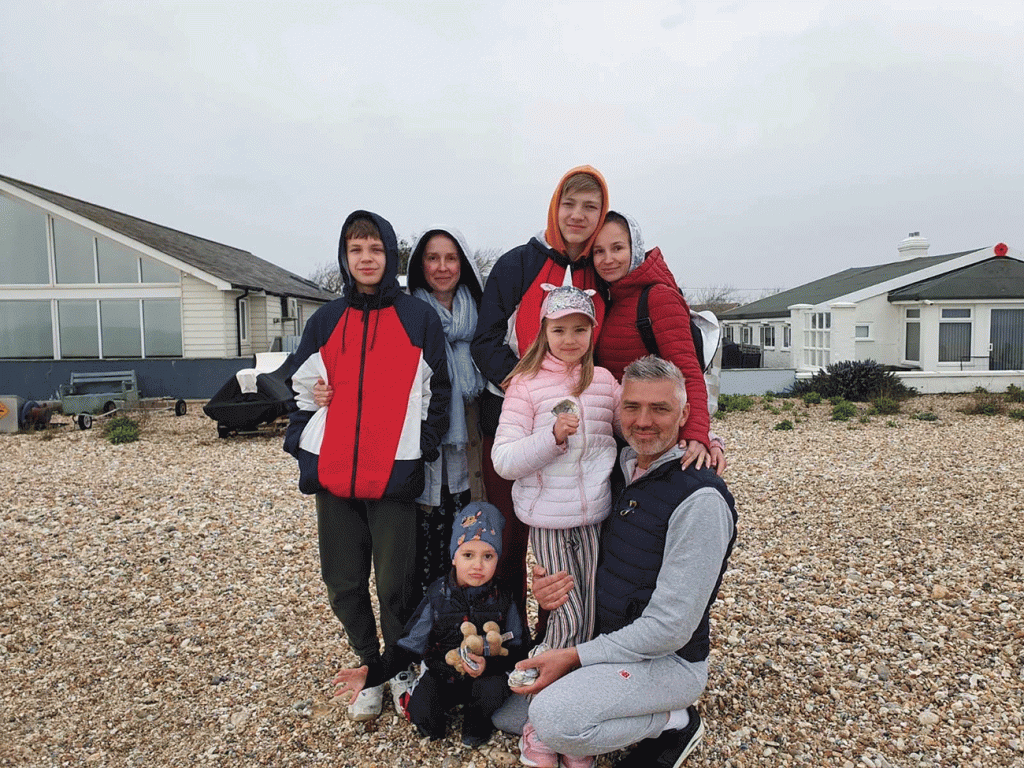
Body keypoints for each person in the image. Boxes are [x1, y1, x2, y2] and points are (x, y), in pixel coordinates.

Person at [510, 356, 737, 768]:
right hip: (606, 639)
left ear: (685, 413)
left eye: (660, 408)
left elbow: (670, 628)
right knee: (518, 707)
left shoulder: (700, 499)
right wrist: (548, 587)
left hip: (668, 661)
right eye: (632, 407)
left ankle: (675, 721)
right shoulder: (614, 468)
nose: (643, 421)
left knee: (552, 719)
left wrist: (574, 657)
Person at [284, 211, 451, 722]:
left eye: (376, 249)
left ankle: (396, 669)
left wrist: (419, 447)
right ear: (345, 256)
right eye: (356, 250)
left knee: (397, 583)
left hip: (392, 478)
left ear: (390, 255)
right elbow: (298, 386)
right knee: (343, 582)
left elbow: (438, 393)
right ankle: (367, 663)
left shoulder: (417, 318)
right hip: (335, 476)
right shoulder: (325, 320)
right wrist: (304, 441)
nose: (366, 258)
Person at [315, 227, 487, 599]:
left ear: (464, 263)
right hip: (420, 458)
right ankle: (425, 629)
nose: (442, 267)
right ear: (418, 264)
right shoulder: (406, 315)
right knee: (418, 564)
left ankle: (467, 624)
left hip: (469, 457)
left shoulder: (481, 317)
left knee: (470, 554)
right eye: (432, 258)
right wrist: (321, 390)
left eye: (451, 258)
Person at [472, 166, 610, 624]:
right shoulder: (517, 264)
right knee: (510, 536)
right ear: (555, 206)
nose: (578, 215)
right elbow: (485, 340)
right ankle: (507, 631)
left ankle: (561, 632)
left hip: (581, 421)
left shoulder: (603, 268)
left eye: (590, 207)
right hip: (514, 414)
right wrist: (524, 384)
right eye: (569, 204)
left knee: (571, 538)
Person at [491, 282, 620, 768]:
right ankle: (540, 725)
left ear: (592, 331)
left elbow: (633, 427)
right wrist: (551, 438)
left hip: (596, 519)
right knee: (565, 617)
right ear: (544, 331)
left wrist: (700, 434)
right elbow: (504, 461)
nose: (569, 339)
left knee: (588, 619)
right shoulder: (525, 386)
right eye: (559, 329)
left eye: (579, 329)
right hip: (548, 522)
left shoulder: (604, 381)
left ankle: (568, 719)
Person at [332, 502, 525, 748]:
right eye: (468, 555)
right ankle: (418, 705)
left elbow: (519, 648)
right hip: (443, 674)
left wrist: (489, 665)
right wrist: (371, 674)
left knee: (492, 693)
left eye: (488, 556)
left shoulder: (505, 597)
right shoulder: (437, 595)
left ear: (497, 558)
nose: (478, 565)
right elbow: (406, 647)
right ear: (454, 557)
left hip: (485, 676)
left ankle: (477, 724)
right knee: (425, 719)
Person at [592, 211, 726, 474]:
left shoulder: (658, 297)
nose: (608, 259)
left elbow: (688, 371)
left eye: (617, 248)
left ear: (635, 248)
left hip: (657, 433)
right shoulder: (610, 298)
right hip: (627, 435)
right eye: (599, 251)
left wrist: (697, 434)